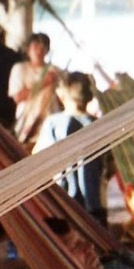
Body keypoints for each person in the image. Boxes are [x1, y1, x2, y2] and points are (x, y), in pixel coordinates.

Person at [33, 71, 106, 226]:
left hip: (63, 205)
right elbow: (109, 166)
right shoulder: (99, 125)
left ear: (61, 94)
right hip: (95, 206)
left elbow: (38, 159)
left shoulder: (53, 124)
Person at [9, 32, 60, 144]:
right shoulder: (20, 69)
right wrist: (44, 82)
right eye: (36, 47)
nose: (39, 51)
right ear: (28, 50)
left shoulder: (54, 70)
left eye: (43, 47)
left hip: (51, 124)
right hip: (28, 127)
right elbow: (18, 97)